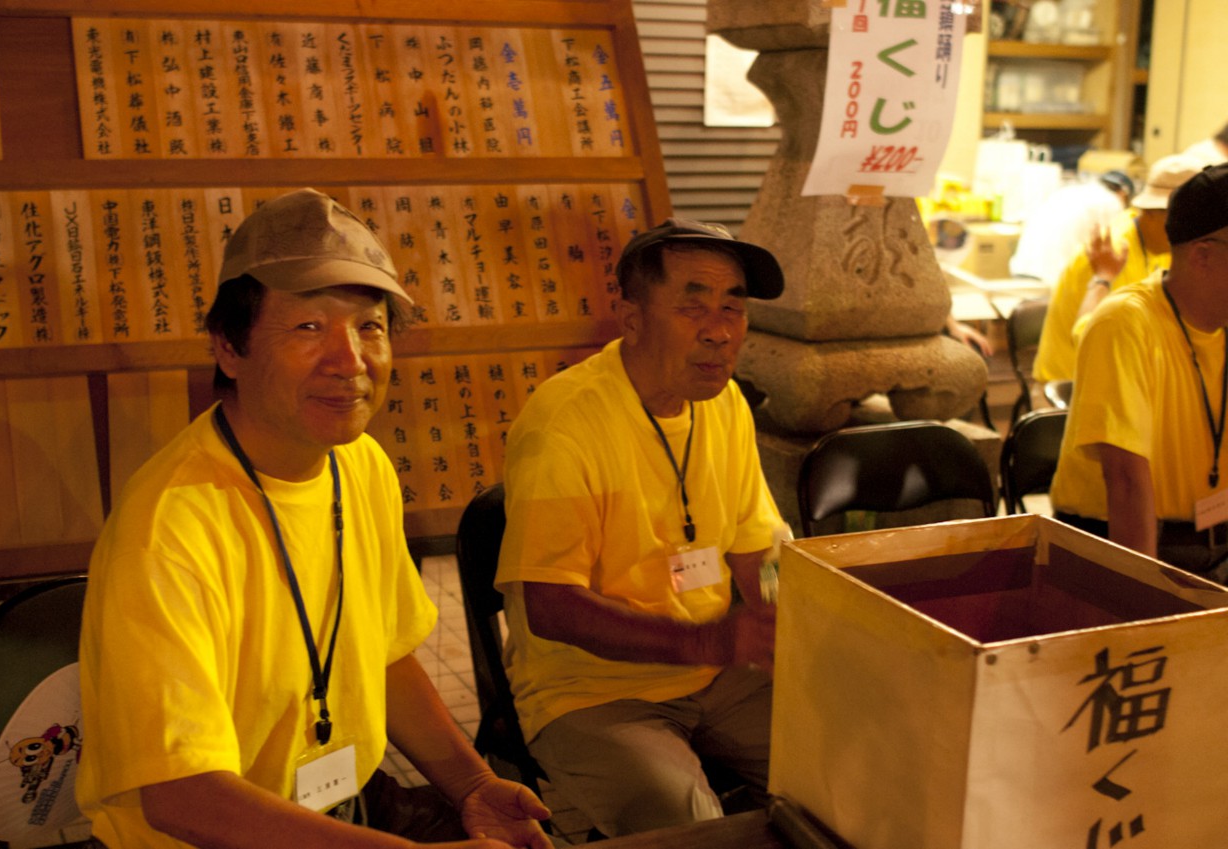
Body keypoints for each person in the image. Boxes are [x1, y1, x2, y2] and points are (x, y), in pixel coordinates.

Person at [77, 188, 552, 849]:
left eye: (370, 327)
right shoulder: (171, 527)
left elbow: (383, 655)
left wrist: (472, 784)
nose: (349, 360)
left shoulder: (359, 462)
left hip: (343, 807)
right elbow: (182, 796)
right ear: (228, 347)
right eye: (308, 327)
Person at [493, 218, 786, 839]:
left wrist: (782, 615)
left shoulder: (725, 403)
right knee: (689, 827)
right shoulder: (565, 423)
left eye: (733, 307)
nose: (719, 330)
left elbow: (759, 550)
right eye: (693, 305)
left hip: (718, 674)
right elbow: (550, 607)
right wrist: (706, 642)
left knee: (847, 754)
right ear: (631, 318)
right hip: (592, 690)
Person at [1050, 162, 1228, 579]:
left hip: (1214, 547)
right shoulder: (1125, 323)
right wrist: (1142, 597)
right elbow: (1126, 482)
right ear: (1203, 255)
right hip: (1127, 549)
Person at [1032, 154, 1202, 384]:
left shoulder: (1168, 248)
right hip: (1073, 382)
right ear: (1151, 212)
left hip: (1123, 373)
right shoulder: (1111, 252)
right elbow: (1093, 340)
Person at [1007, 169, 1133, 285]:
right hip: (1052, 279)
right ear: (1123, 194)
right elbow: (1114, 249)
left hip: (1021, 270)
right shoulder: (1112, 202)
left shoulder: (1067, 191)